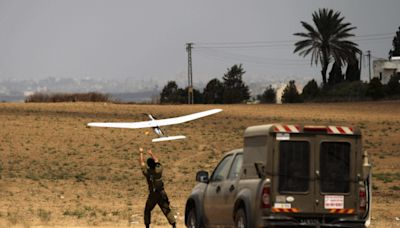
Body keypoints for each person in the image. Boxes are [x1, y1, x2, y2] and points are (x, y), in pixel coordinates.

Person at [139, 147, 176, 228]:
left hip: (153, 194)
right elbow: (157, 160)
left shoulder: (147, 173)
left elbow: (142, 163)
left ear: (148, 165)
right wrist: (151, 153)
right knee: (166, 209)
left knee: (147, 210)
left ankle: (147, 226)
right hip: (161, 193)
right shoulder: (159, 170)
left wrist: (141, 152)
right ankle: (174, 225)